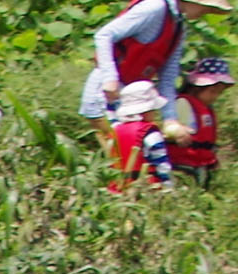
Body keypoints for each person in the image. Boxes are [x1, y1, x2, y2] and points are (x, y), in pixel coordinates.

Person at [84, 0, 232, 145]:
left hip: (132, 100)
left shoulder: (178, 28)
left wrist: (170, 120)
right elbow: (105, 35)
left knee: (133, 155)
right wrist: (110, 78)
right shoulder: (154, 8)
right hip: (106, 94)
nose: (205, 12)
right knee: (122, 154)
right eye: (205, 7)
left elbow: (167, 77)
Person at [164, 55, 230, 181]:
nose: (215, 96)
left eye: (219, 92)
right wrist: (176, 132)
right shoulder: (183, 103)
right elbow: (168, 128)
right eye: (212, 91)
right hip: (182, 165)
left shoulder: (205, 109)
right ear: (197, 87)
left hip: (200, 165)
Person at [112, 80, 178, 187]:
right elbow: (161, 164)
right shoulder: (150, 133)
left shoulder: (115, 130)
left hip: (118, 186)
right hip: (146, 187)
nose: (155, 113)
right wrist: (168, 186)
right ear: (145, 110)